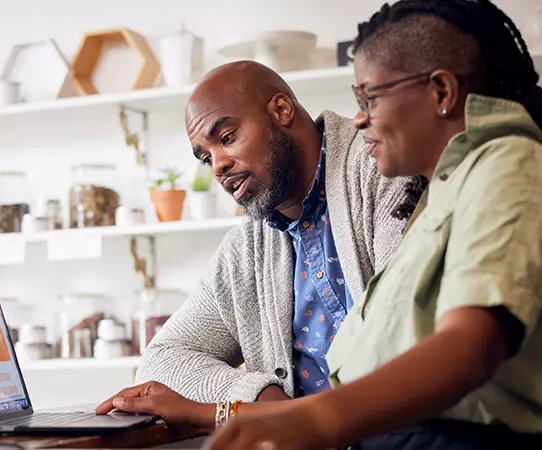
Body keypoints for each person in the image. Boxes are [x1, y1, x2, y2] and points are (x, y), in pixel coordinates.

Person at [196, 1, 542, 449]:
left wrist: (312, 419)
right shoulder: (440, 198)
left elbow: (470, 348)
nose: (358, 117)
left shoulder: (512, 168)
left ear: (441, 91)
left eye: (370, 98)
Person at [95, 60, 408, 426]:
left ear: (281, 110)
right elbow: (162, 359)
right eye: (206, 157)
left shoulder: (381, 170)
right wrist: (259, 398)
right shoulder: (245, 250)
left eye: (227, 138)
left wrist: (235, 414)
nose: (218, 166)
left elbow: (408, 341)